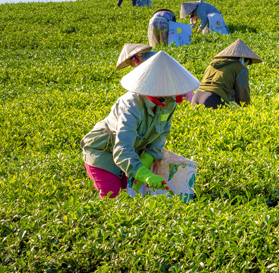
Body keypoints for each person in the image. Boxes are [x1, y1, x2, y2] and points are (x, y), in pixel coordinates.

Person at [82, 51, 199, 198]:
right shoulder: (131, 105)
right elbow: (122, 149)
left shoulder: (169, 102)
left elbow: (161, 134)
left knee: (133, 196)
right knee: (113, 197)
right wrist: (145, 174)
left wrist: (148, 158)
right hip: (103, 153)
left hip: (133, 155)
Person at [192, 40, 261, 109]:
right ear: (243, 59)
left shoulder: (212, 64)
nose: (246, 65)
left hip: (196, 97)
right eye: (247, 63)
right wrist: (245, 107)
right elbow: (243, 91)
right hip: (212, 99)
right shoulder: (240, 68)